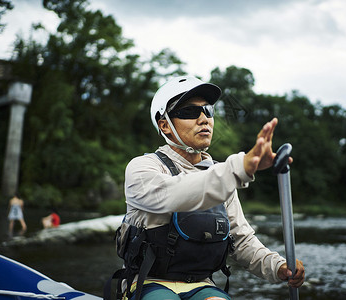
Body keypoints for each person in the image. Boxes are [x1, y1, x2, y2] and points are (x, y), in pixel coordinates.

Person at [114, 76, 305, 300]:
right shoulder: (142, 168)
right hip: (149, 283)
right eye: (189, 112)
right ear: (164, 125)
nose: (204, 118)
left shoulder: (221, 176)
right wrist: (239, 168)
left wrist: (278, 267)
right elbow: (177, 194)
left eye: (207, 110)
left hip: (201, 285)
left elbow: (241, 242)